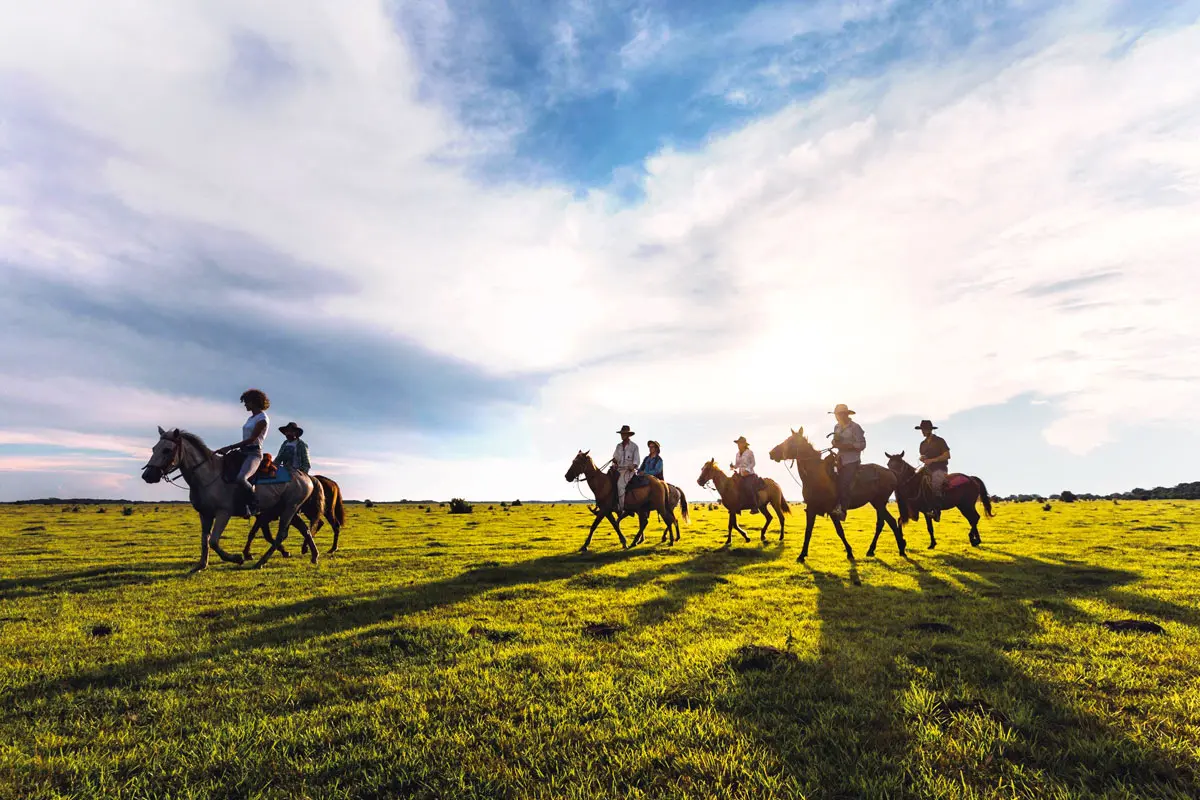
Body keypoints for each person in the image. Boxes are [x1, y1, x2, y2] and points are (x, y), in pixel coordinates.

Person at [215, 389, 270, 517]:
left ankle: (254, 505)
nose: (245, 405)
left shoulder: (262, 418)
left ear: (254, 402)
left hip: (254, 454)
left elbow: (252, 439)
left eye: (247, 402)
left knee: (241, 478)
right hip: (243, 452)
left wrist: (229, 447)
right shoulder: (251, 418)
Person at [829, 403, 865, 521]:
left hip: (852, 460)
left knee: (844, 482)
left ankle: (842, 510)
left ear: (845, 414)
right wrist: (835, 443)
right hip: (839, 459)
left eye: (838, 414)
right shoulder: (836, 427)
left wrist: (848, 446)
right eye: (836, 415)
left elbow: (862, 444)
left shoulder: (855, 427)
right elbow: (835, 441)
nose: (837, 417)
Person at [917, 419, 950, 521]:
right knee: (914, 480)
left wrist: (932, 460)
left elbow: (947, 455)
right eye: (921, 429)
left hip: (940, 468)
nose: (922, 432)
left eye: (924, 430)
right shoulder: (922, 444)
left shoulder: (940, 441)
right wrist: (922, 458)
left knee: (936, 483)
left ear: (929, 430)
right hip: (927, 469)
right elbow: (923, 456)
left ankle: (937, 512)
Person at [612, 425, 640, 513]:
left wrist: (633, 465)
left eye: (624, 434)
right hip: (618, 470)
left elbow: (637, 461)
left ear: (628, 435)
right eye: (621, 434)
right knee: (607, 481)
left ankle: (621, 508)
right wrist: (614, 462)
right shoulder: (618, 446)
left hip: (628, 471)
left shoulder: (634, 446)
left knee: (620, 485)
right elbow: (615, 458)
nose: (622, 435)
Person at [731, 436, 759, 513]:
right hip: (741, 475)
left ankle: (754, 506)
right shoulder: (737, 454)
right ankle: (737, 506)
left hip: (749, 475)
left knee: (748, 487)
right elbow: (737, 464)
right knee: (734, 487)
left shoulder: (749, 452)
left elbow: (753, 463)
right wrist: (733, 466)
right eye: (738, 443)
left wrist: (747, 470)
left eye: (740, 443)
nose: (738, 445)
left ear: (744, 444)